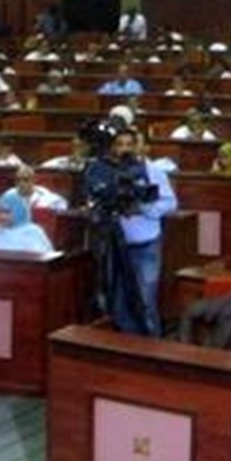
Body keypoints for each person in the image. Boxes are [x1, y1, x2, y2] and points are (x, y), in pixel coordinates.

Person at [89, 124, 178, 336]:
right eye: (120, 144)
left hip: (145, 246)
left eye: (130, 144)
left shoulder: (153, 171)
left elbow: (171, 203)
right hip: (117, 245)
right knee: (119, 304)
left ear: (139, 147)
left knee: (145, 301)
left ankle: (152, 347)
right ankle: (129, 346)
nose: (125, 149)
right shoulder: (107, 172)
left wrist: (143, 208)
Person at [0, 188, 55, 253]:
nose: (1, 216)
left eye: (6, 212)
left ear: (18, 211)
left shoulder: (33, 231)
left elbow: (43, 260)